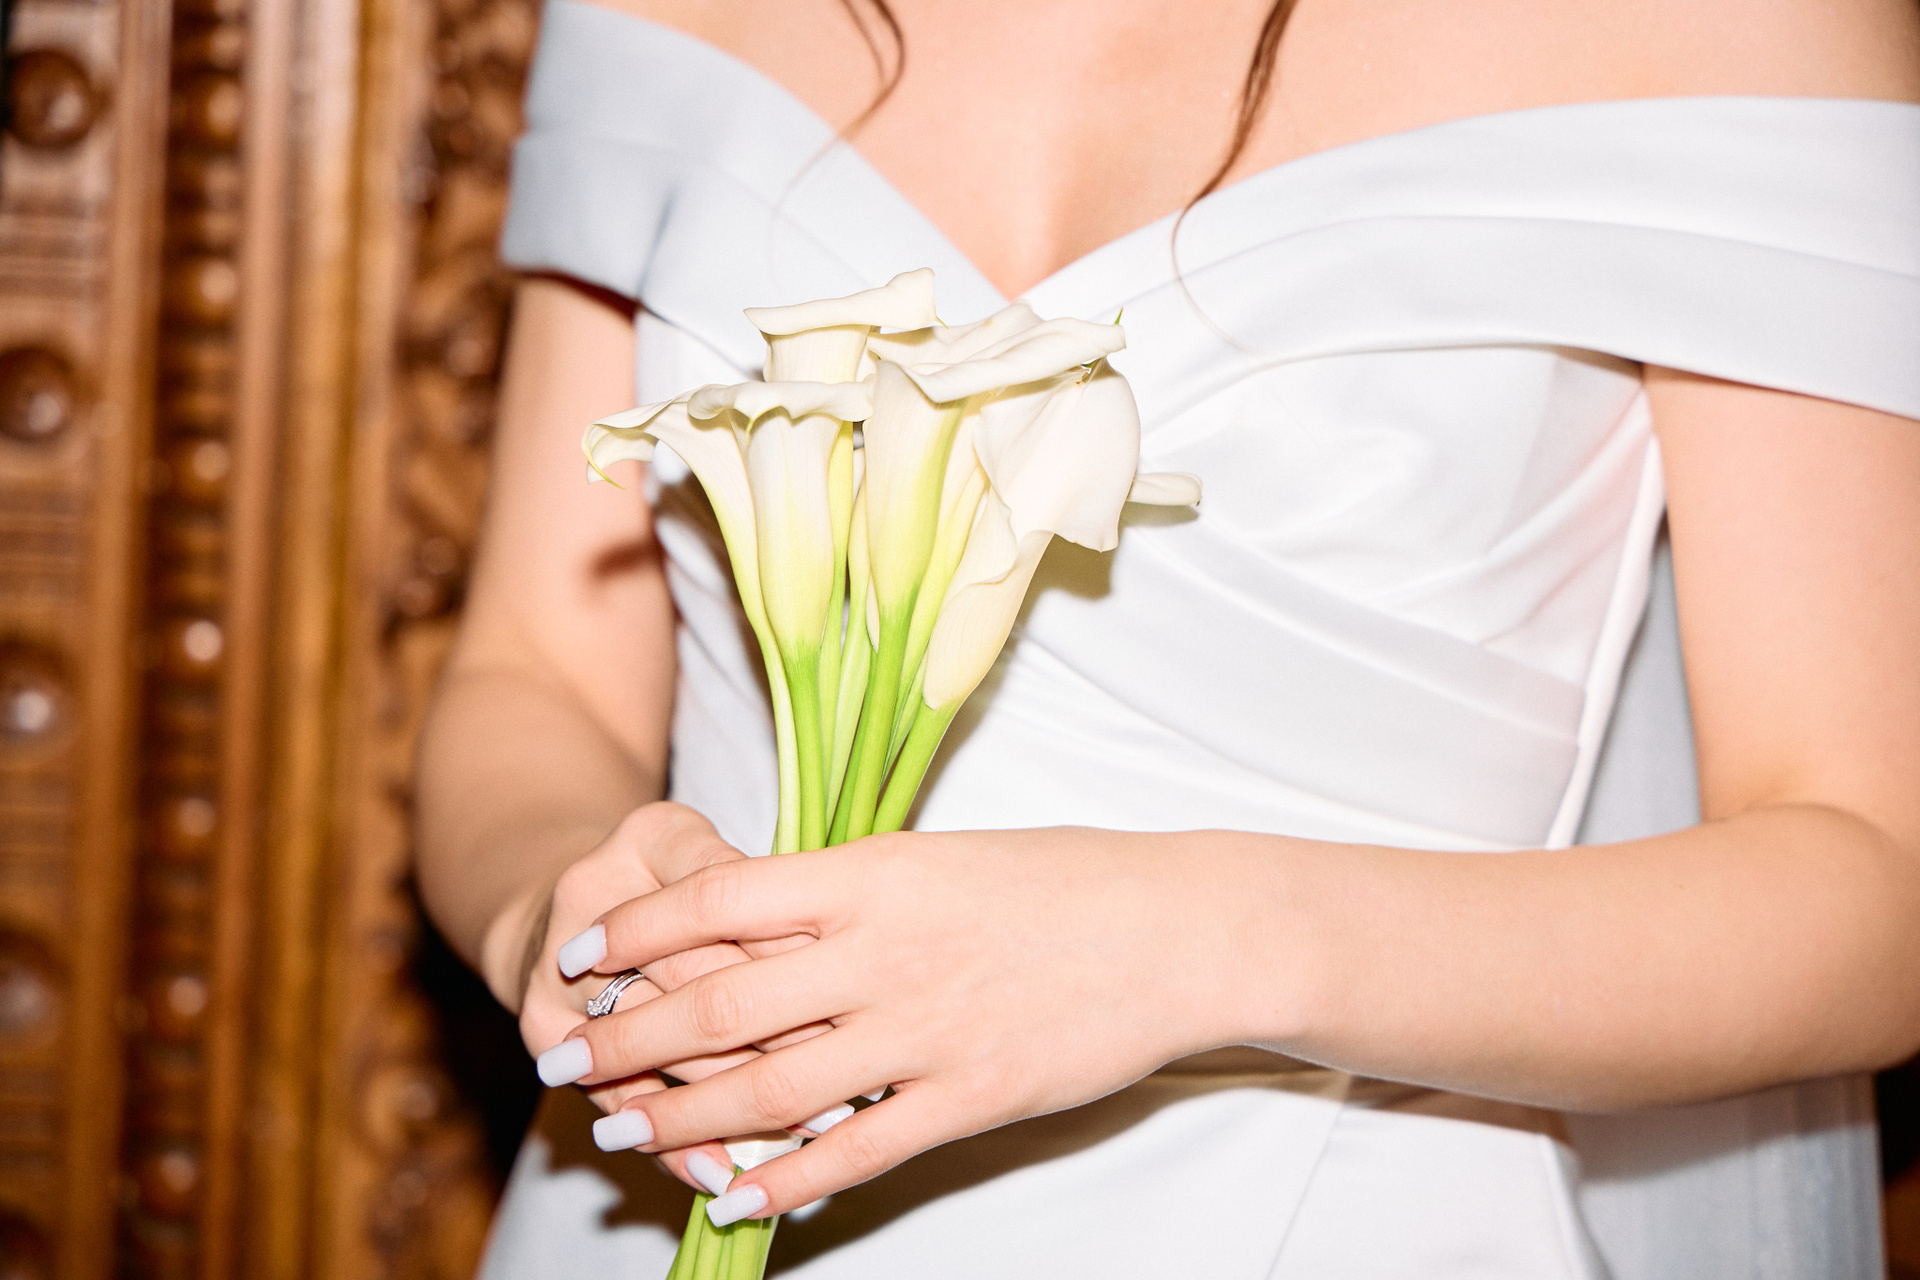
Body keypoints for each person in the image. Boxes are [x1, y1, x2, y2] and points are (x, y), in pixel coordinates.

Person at [415, 0, 1920, 1275]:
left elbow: (1875, 883)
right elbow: (536, 673)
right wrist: (563, 911)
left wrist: (1195, 943)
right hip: (656, 1193)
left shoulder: (1726, 25)